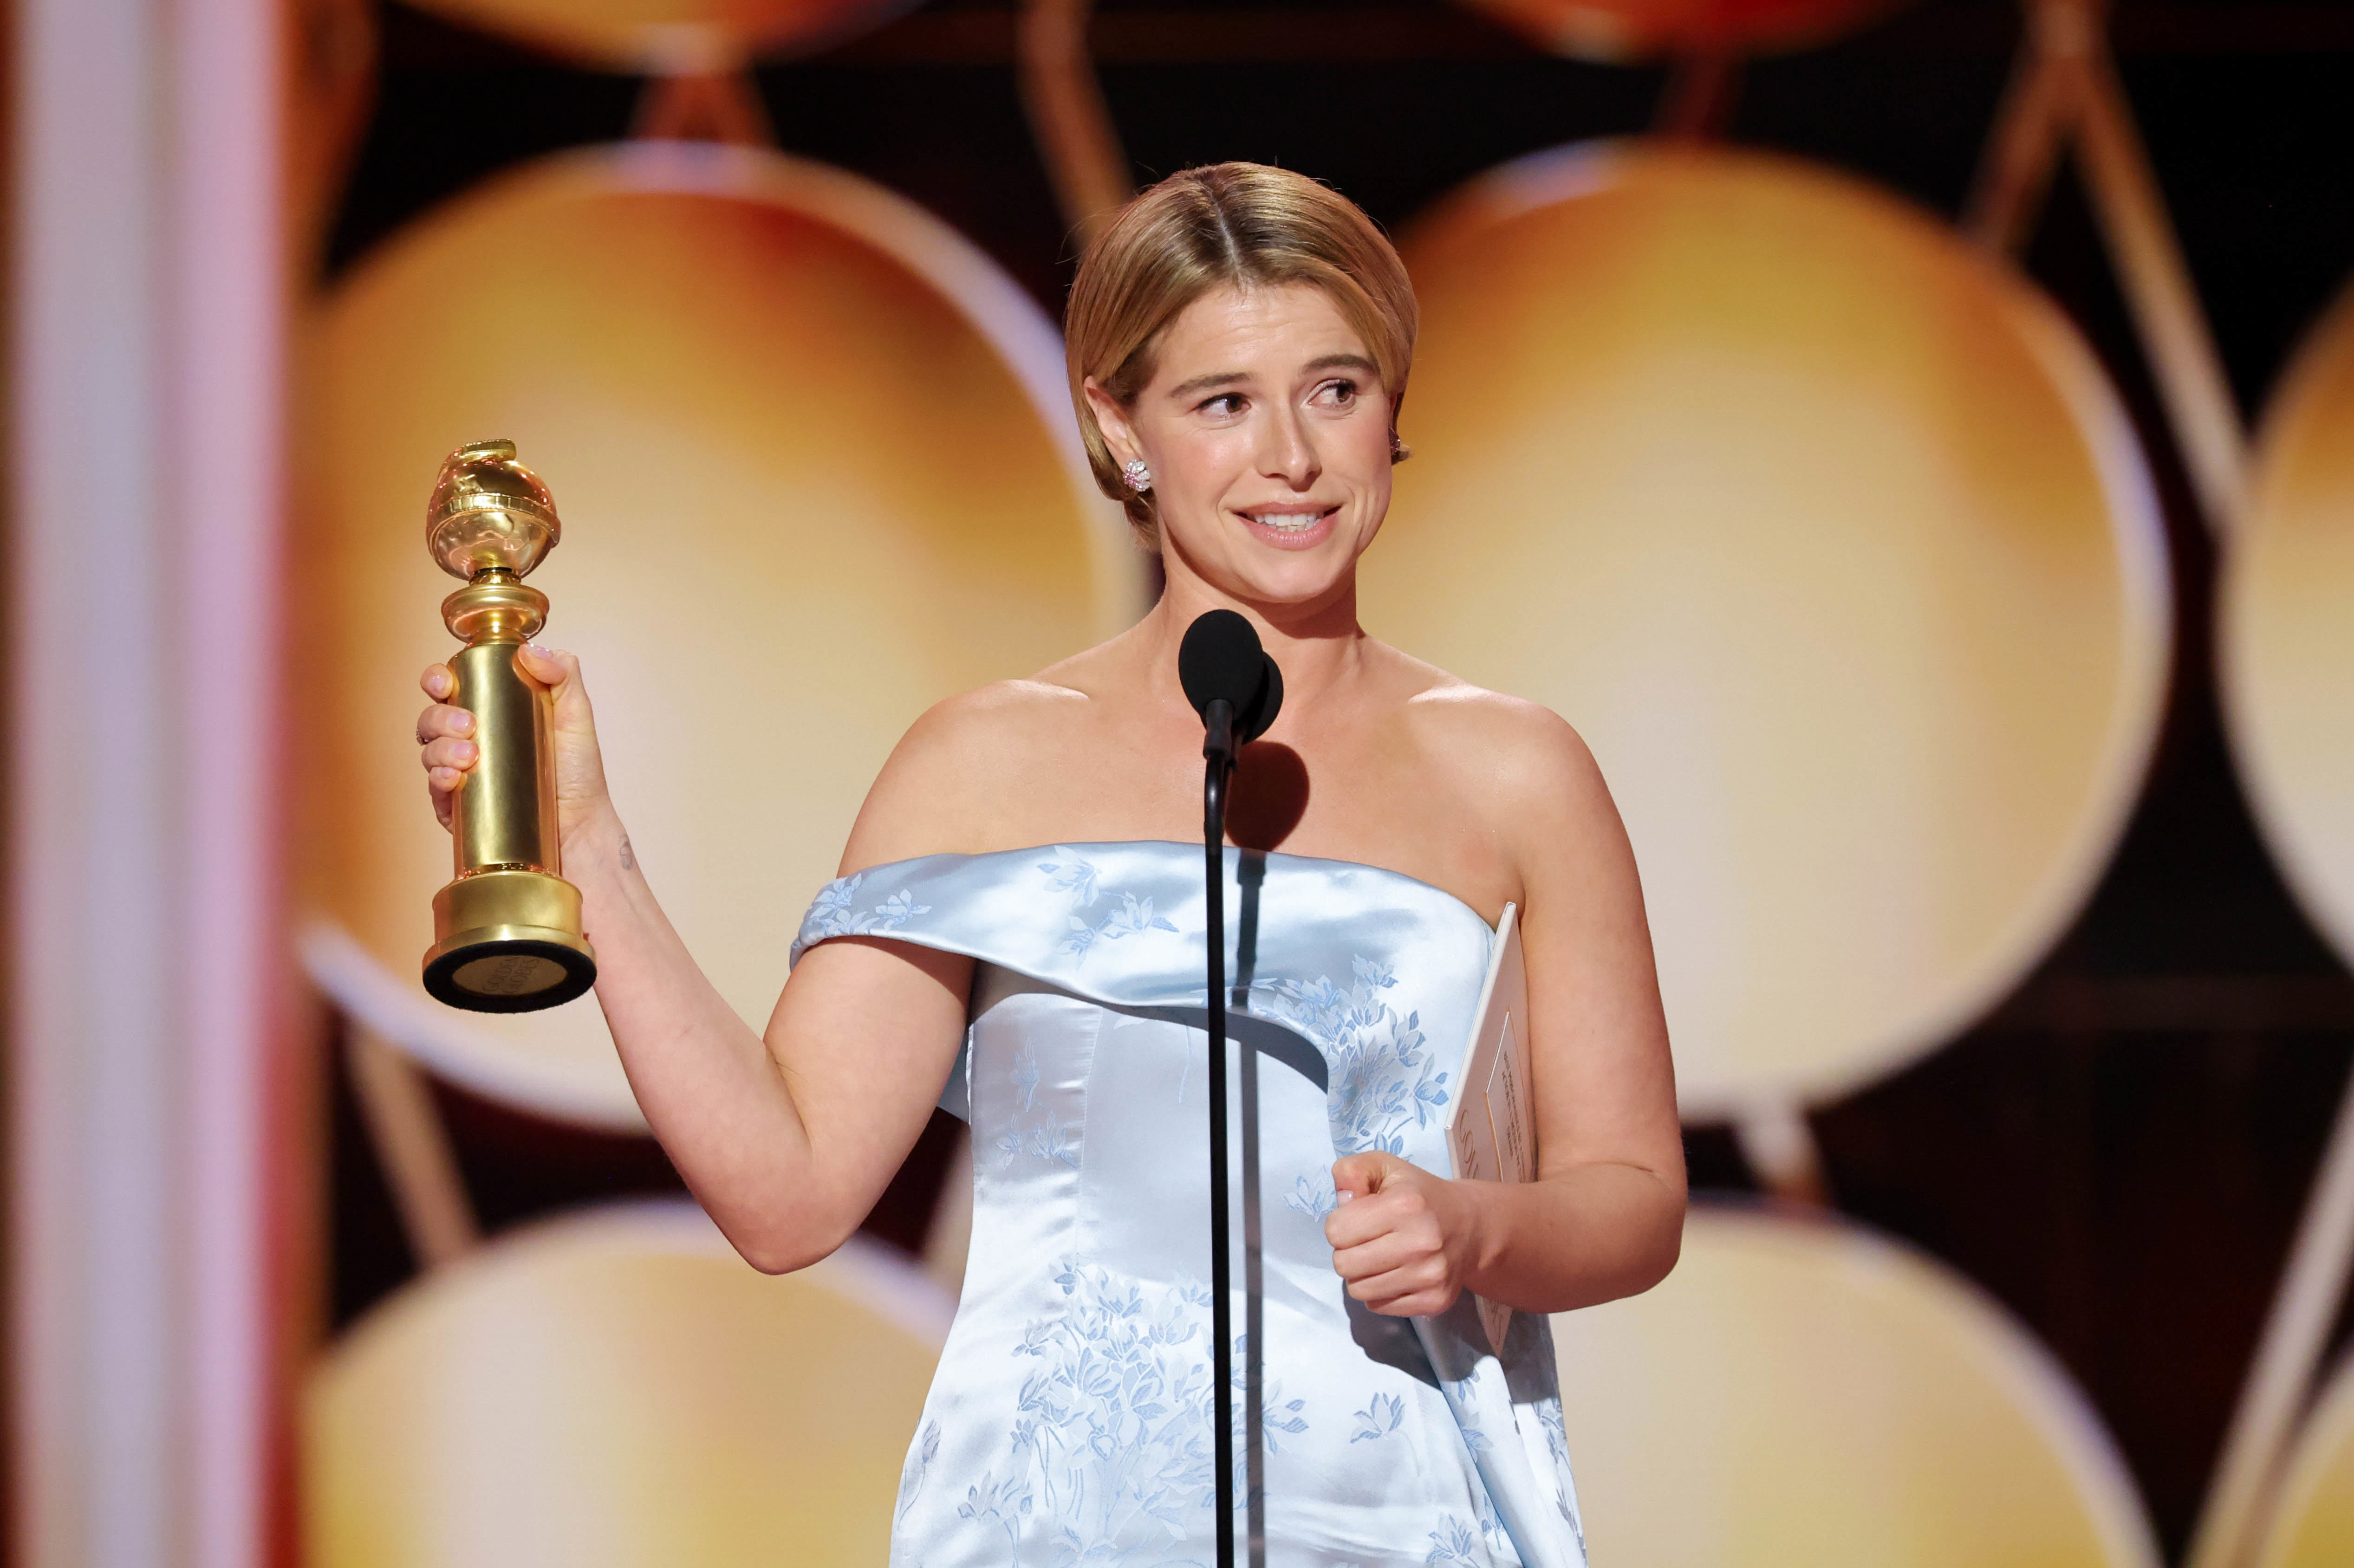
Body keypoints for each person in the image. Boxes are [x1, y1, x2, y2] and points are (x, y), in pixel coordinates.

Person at [414, 161, 1682, 1568]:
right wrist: (589, 850)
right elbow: (788, 1195)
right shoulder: (983, 760)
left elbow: (1632, 1195)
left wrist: (1475, 1232)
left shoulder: (1518, 770)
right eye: (1223, 403)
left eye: (1335, 389)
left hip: (1404, 1521)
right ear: (1120, 427)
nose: (1292, 457)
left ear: (1393, 409)